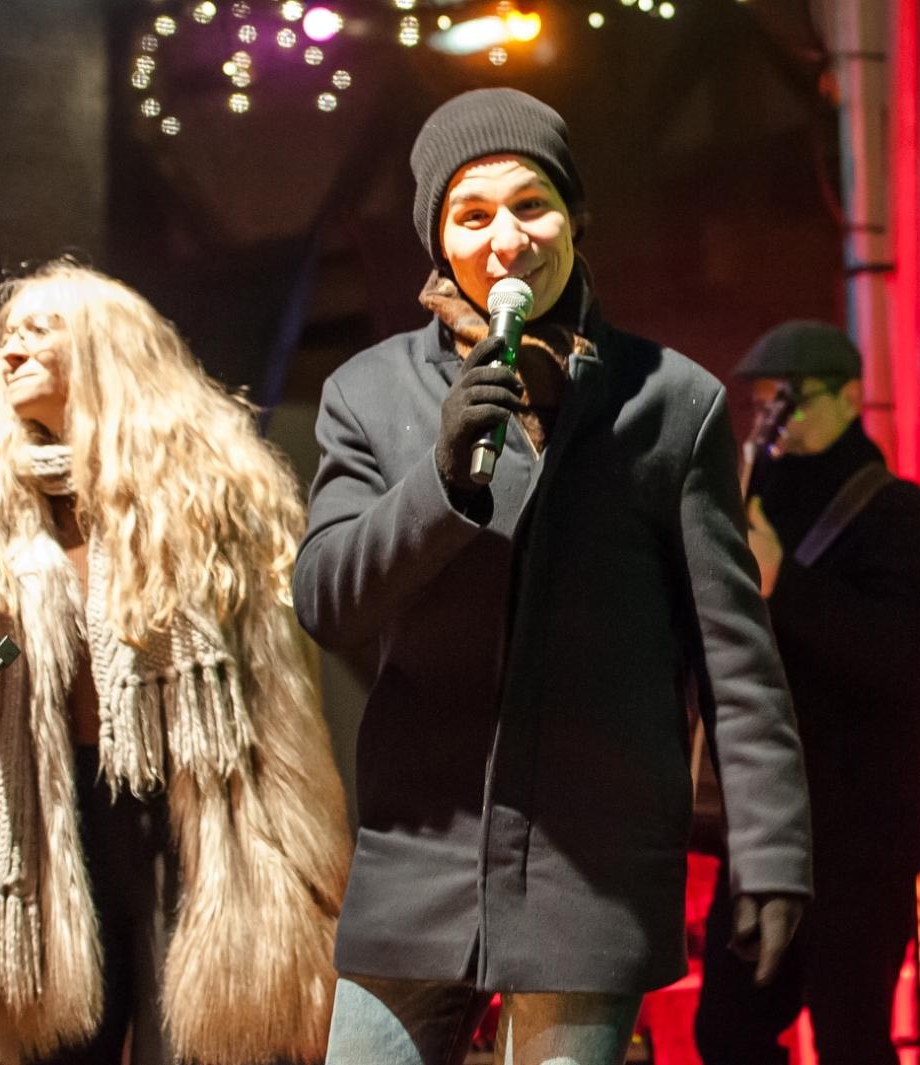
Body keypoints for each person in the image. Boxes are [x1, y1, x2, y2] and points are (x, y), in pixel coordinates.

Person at [290, 87, 814, 1065]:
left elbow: (734, 660)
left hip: (593, 868)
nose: (506, 240)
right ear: (437, 239)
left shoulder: (670, 402)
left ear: (575, 216)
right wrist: (438, 481)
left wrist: (773, 853)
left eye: (530, 205)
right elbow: (324, 600)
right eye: (471, 215)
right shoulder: (366, 393)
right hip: (419, 858)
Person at [0, 260, 352, 1065]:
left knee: (194, 1046)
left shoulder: (211, 495)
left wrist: (306, 868)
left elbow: (277, 705)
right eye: (3, 338)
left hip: (194, 815)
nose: (8, 352)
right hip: (50, 817)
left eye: (38, 332)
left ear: (108, 352)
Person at [695, 322, 920, 1065]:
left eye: (791, 399)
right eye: (762, 401)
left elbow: (895, 659)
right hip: (765, 830)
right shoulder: (758, 499)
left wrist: (786, 587)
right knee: (727, 1033)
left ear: (850, 396)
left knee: (852, 1036)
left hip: (861, 836)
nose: (772, 416)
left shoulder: (899, 515)